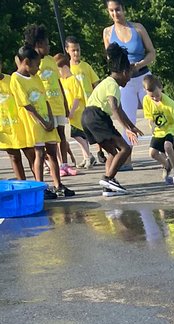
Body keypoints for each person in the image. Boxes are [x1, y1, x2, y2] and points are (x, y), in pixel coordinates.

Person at [8, 45, 72, 199]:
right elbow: (27, 105)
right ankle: (40, 188)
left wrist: (49, 118)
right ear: (26, 62)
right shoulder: (16, 79)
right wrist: (42, 121)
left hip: (47, 120)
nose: (38, 69)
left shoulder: (35, 77)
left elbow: (45, 99)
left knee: (52, 152)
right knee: (40, 154)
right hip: (34, 123)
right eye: (36, 65)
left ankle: (58, 185)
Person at [81, 44, 141, 196]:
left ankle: (108, 186)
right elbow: (114, 108)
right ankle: (108, 178)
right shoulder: (112, 85)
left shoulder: (109, 83)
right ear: (124, 72)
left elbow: (120, 109)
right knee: (125, 149)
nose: (129, 79)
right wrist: (126, 129)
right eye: (129, 75)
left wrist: (131, 126)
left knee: (113, 153)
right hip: (97, 116)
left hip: (88, 117)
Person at [23, 24, 75, 179]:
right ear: (39, 44)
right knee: (47, 142)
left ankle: (64, 164)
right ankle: (49, 166)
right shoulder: (34, 64)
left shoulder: (51, 60)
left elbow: (58, 83)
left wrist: (65, 103)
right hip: (45, 108)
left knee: (61, 135)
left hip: (58, 105)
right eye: (46, 43)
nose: (49, 46)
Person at [103, 1, 156, 125]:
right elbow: (111, 60)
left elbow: (152, 53)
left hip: (143, 77)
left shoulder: (138, 28)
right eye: (111, 10)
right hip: (125, 82)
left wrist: (139, 65)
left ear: (123, 9)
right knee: (128, 121)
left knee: (155, 116)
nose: (115, 13)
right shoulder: (107, 32)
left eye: (117, 9)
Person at [141, 74, 174, 185]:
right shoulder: (146, 100)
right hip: (159, 131)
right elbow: (149, 117)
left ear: (161, 88)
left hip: (171, 129)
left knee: (168, 146)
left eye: (157, 95)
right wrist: (152, 125)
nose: (155, 98)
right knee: (152, 153)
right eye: (152, 97)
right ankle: (167, 165)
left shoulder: (169, 103)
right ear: (145, 92)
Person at [56, 52, 92, 169]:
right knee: (81, 136)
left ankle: (89, 156)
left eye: (59, 70)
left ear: (65, 68)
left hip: (77, 112)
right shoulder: (63, 81)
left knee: (77, 135)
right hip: (71, 114)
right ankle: (86, 157)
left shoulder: (73, 80)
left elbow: (77, 97)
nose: (59, 73)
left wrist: (71, 111)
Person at [1, 57, 28, 180]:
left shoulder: (11, 80)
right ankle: (22, 185)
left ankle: (39, 185)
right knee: (14, 157)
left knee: (31, 154)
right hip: (5, 128)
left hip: (20, 124)